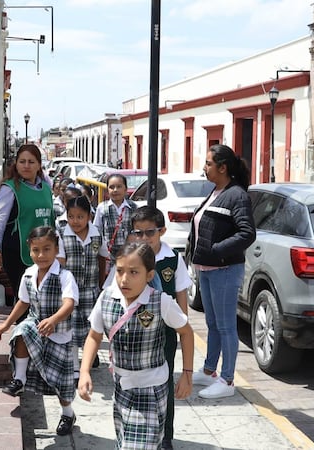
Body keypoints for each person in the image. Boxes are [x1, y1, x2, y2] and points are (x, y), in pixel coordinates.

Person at [78, 242, 194, 449]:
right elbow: (94, 336)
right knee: (125, 441)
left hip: (152, 388)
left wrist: (187, 373)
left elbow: (186, 332)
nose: (124, 279)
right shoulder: (106, 299)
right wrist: (84, 371)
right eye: (119, 271)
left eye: (133, 272)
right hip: (122, 387)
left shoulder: (161, 301)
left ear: (149, 275)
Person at [0, 226, 79, 436]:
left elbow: (69, 303)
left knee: (61, 384)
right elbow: (23, 302)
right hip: (36, 327)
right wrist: (6, 324)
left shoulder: (65, 276)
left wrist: (54, 319)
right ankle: (20, 379)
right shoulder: (28, 274)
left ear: (56, 249)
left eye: (47, 249)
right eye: (36, 250)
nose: (41, 255)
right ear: (29, 250)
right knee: (22, 330)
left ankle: (68, 414)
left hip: (59, 336)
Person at [187, 144, 256, 399]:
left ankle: (227, 380)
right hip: (207, 268)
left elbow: (247, 233)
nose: (204, 168)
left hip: (224, 269)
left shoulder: (237, 195)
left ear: (223, 168)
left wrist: (217, 250)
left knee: (226, 326)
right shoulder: (216, 192)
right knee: (212, 323)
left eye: (208, 164)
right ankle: (209, 370)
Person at [126, 205, 192, 450]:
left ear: (162, 231)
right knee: (134, 382)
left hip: (165, 333)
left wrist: (182, 328)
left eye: (150, 232)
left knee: (164, 384)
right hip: (135, 334)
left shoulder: (173, 259)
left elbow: (181, 294)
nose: (144, 238)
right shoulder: (128, 259)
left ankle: (165, 436)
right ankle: (135, 429)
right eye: (138, 233)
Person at [0, 144, 55, 307]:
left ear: (39, 165)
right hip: (18, 254)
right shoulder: (10, 189)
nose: (26, 166)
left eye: (31, 162)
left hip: (45, 252)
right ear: (16, 164)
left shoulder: (46, 186)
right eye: (22, 161)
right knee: (24, 303)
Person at [56, 196, 109, 379]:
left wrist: (101, 283)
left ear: (89, 216)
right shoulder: (62, 232)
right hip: (70, 291)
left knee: (90, 326)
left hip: (90, 290)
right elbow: (60, 262)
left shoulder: (96, 233)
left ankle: (88, 357)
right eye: (71, 216)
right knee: (70, 327)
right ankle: (74, 365)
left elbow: (102, 257)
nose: (75, 221)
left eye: (80, 217)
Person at [93, 173, 137, 266]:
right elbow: (96, 230)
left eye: (119, 187)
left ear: (125, 189)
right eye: (111, 187)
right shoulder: (102, 208)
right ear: (107, 190)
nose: (115, 190)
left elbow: (137, 230)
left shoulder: (133, 207)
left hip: (129, 253)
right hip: (109, 255)